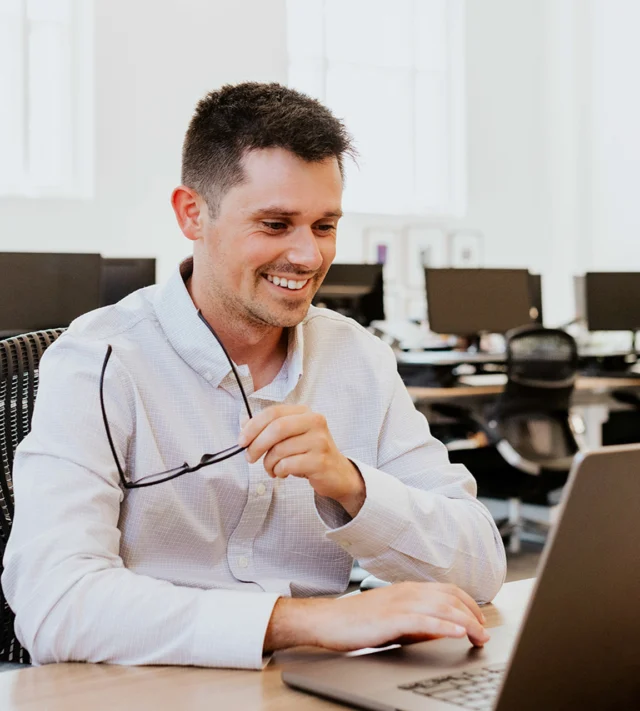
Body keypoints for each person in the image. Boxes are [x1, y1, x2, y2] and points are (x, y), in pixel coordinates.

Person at [3, 83, 506, 670]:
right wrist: (307, 622)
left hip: (315, 691)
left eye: (324, 226)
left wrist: (351, 485)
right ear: (192, 213)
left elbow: (481, 570)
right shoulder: (99, 360)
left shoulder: (357, 359)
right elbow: (56, 604)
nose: (309, 256)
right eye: (274, 224)